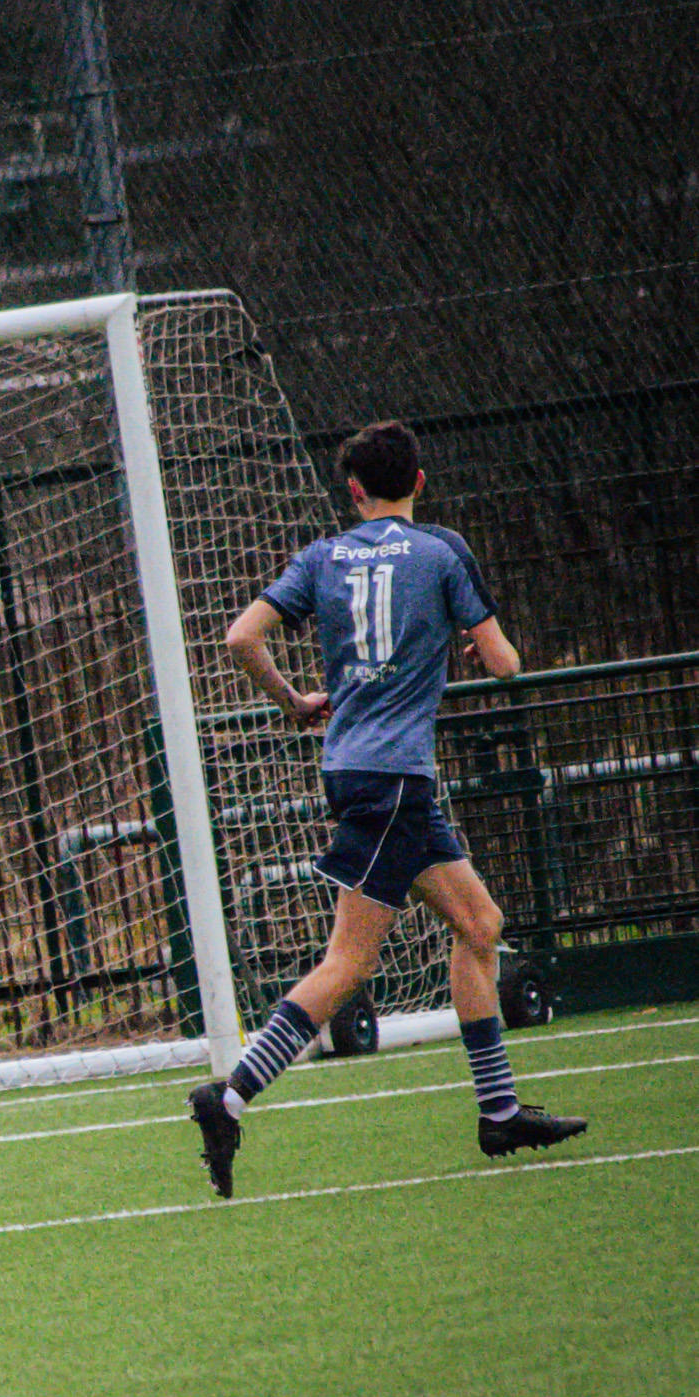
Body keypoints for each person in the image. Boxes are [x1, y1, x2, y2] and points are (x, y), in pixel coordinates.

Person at [190, 420, 585, 1197]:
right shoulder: (441, 550)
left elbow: (241, 637)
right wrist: (475, 647)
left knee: (479, 926)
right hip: (395, 780)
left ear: (353, 490)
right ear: (421, 482)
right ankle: (228, 1096)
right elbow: (506, 664)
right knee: (350, 962)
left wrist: (296, 702)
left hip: (365, 773)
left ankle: (499, 1110)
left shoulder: (323, 556)